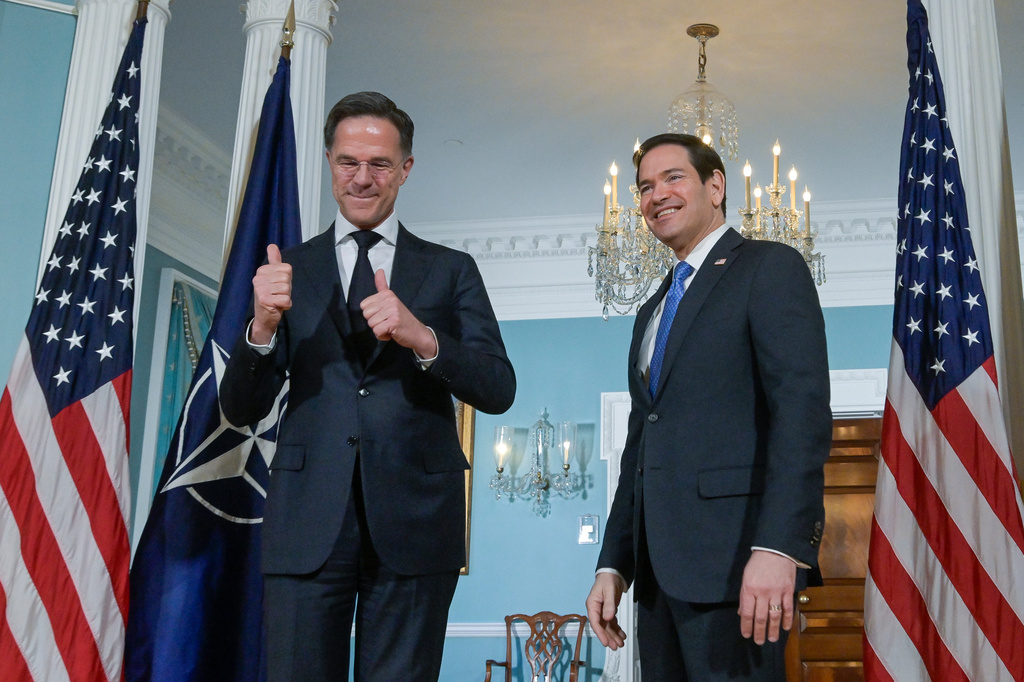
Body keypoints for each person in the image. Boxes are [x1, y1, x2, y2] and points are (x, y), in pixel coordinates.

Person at [220, 91, 516, 682]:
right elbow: (240, 409)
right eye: (348, 162)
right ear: (330, 162)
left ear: (405, 169)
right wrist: (261, 327)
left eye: (379, 164)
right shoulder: (286, 270)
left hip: (416, 525)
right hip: (307, 525)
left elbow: (498, 386)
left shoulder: (451, 269)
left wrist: (422, 337)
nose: (362, 178)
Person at [585, 133, 832, 680]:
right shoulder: (652, 308)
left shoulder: (770, 267)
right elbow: (640, 448)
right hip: (656, 580)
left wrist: (780, 547)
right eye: (644, 187)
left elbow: (802, 414)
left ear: (715, 186)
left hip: (740, 568)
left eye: (673, 177)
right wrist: (613, 562)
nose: (655, 195)